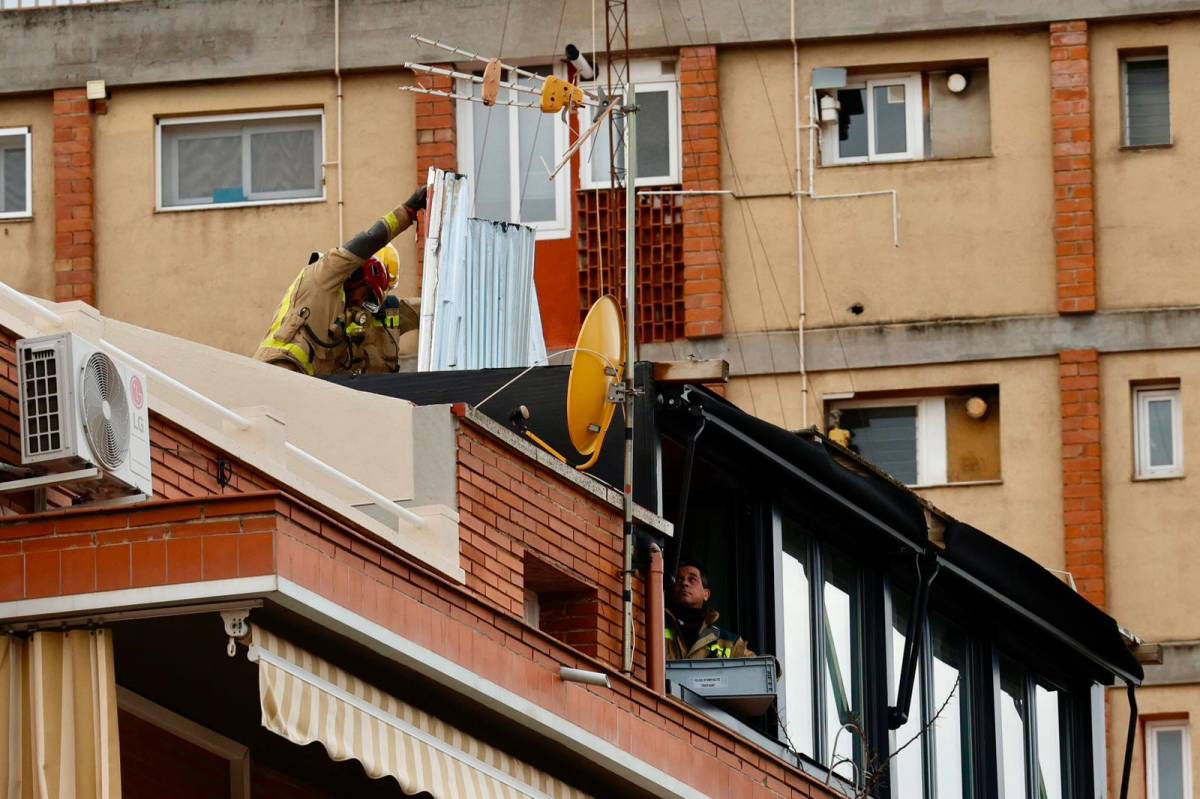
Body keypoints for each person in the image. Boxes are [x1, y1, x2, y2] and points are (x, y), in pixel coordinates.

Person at [254, 186, 427, 376]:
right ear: (358, 276)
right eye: (368, 295)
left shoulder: (342, 315)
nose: (362, 304)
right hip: (279, 367)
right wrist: (408, 211)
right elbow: (367, 241)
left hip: (303, 382)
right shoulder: (324, 275)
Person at [665, 562, 753, 660]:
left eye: (692, 579)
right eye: (679, 579)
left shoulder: (729, 642)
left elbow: (757, 670)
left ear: (706, 594)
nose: (684, 583)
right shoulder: (655, 631)